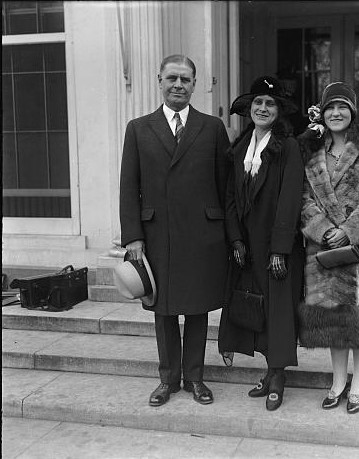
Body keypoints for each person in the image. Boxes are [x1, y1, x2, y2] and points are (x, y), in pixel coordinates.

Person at [120, 54, 230, 407]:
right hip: (157, 235)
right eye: (172, 78)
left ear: (195, 84)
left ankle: (195, 378)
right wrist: (133, 236)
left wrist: (229, 235)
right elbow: (129, 187)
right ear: (160, 81)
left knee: (197, 308)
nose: (178, 85)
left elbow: (225, 186)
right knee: (163, 309)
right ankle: (167, 380)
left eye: (185, 79)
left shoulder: (212, 127)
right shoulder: (139, 128)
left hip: (202, 234)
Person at [298, 82, 359, 414]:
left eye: (342, 108)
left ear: (352, 112)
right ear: (322, 114)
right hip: (323, 251)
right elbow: (302, 200)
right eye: (329, 108)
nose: (335, 113)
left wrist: (349, 231)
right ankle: (337, 381)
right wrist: (324, 231)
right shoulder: (310, 151)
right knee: (334, 320)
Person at [218, 76, 304, 411]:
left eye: (270, 104)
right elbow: (229, 199)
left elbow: (289, 200)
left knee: (279, 309)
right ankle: (268, 373)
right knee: (257, 307)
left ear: (278, 111)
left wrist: (280, 249)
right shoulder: (239, 148)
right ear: (249, 109)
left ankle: (278, 375)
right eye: (258, 103)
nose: (263, 108)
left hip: (277, 246)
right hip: (247, 246)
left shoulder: (289, 148)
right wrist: (235, 239)